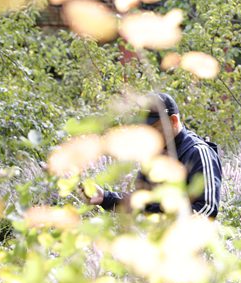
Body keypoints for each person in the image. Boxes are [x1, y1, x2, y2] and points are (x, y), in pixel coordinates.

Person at [87, 92, 223, 219]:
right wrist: (105, 198)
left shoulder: (198, 152)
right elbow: (143, 202)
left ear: (174, 121)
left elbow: (207, 208)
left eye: (155, 129)